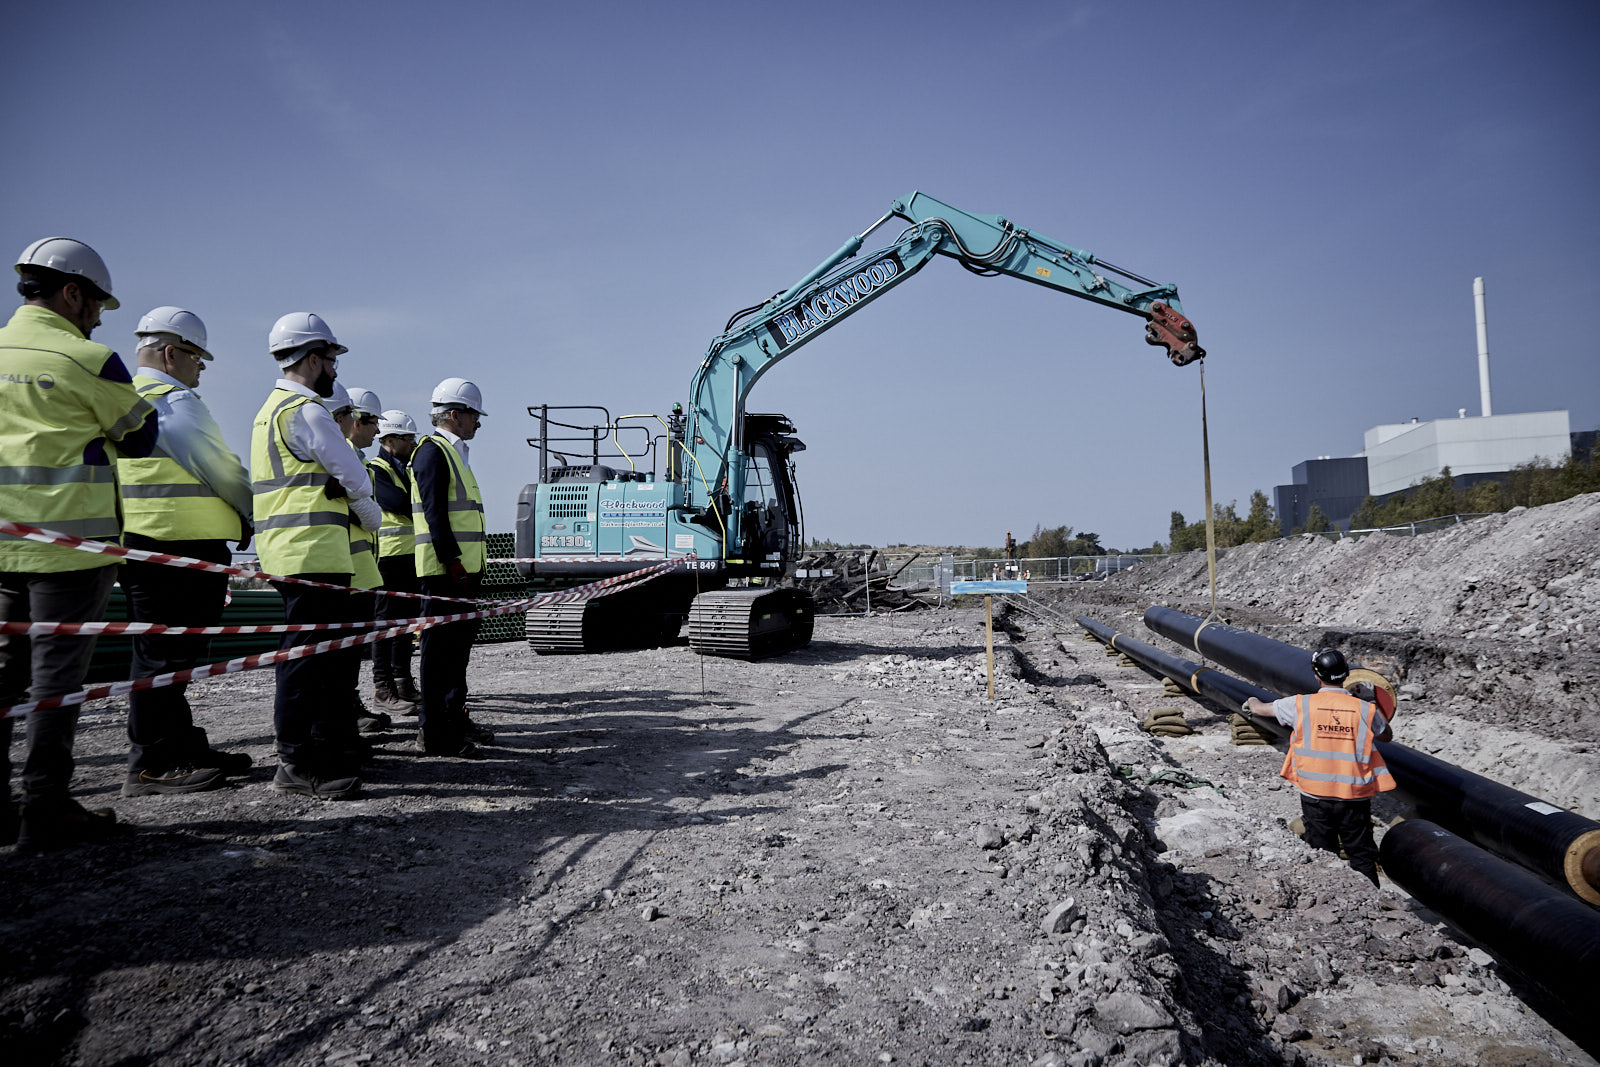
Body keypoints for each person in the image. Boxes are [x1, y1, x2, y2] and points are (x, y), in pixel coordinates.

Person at [1, 237, 159, 850]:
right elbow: (140, 439)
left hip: (3, 545)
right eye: (96, 305)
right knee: (55, 685)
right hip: (70, 545)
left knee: (1, 678)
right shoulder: (89, 359)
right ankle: (45, 806)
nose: (98, 317)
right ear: (72, 293)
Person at [116, 307, 254, 796]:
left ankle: (180, 745)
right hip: (177, 550)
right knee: (162, 660)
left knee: (167, 658)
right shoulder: (172, 401)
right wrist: (250, 513)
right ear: (172, 353)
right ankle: (151, 764)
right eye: (197, 356)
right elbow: (220, 466)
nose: (202, 367)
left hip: (148, 546)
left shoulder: (123, 399)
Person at [250, 313, 380, 799]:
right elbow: (353, 473)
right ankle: (299, 762)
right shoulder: (307, 410)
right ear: (311, 358)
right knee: (310, 663)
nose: (334, 370)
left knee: (305, 660)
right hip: (313, 552)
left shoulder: (269, 410)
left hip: (287, 551)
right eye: (330, 359)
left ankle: (316, 751)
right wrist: (363, 503)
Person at [1244, 647, 1395, 886]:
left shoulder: (1301, 705)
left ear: (1317, 676)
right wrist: (1371, 701)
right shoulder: (1365, 709)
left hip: (1315, 794)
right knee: (1361, 854)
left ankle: (1330, 895)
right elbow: (1386, 735)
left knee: (1323, 852)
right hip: (1353, 797)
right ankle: (1371, 902)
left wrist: (1251, 700)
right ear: (1346, 674)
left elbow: (1260, 709)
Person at [410, 378, 489, 757]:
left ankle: (455, 718)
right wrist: (452, 561)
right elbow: (434, 514)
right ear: (455, 415)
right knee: (438, 653)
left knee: (456, 652)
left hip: (462, 572)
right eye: (474, 414)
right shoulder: (432, 452)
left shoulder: (454, 452)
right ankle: (434, 730)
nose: (479, 422)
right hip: (445, 573)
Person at [328, 384, 389, 736]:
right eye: (371, 423)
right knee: (344, 652)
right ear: (354, 421)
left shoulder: (359, 460)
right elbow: (371, 518)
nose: (376, 431)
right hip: (346, 569)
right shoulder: (344, 458)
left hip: (360, 567)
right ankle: (345, 712)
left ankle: (349, 706)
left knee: (352, 651)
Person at [368, 409, 421, 712]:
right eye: (408, 438)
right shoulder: (377, 469)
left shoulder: (405, 468)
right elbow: (397, 503)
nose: (413, 443)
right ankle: (382, 687)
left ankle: (402, 681)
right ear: (390, 438)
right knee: (384, 624)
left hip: (409, 556)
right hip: (388, 558)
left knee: (405, 624)